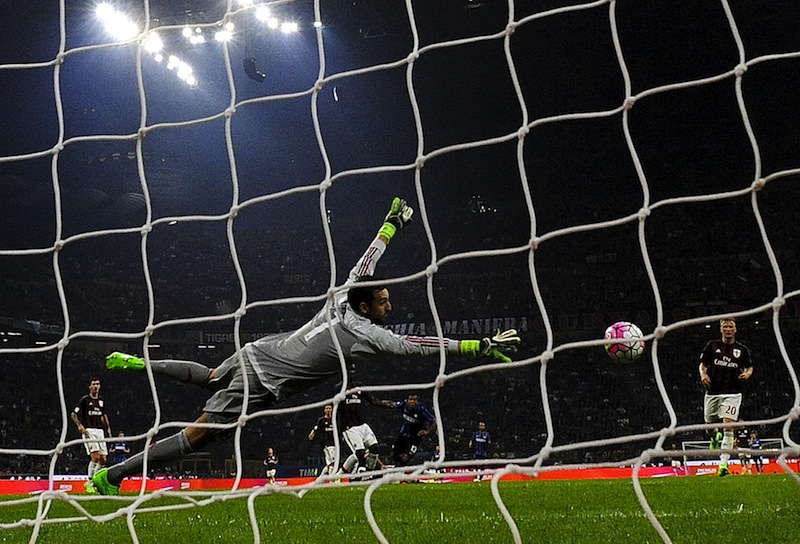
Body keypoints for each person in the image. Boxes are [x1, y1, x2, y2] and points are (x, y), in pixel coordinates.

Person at [90, 197, 522, 495]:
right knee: (199, 436)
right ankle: (115, 474)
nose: (390, 304)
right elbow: (417, 345)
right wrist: (473, 346)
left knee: (209, 376)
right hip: (264, 381)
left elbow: (371, 256)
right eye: (385, 301)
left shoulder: (346, 291)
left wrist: (394, 223)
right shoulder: (366, 336)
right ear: (367, 306)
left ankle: (139, 362)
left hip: (258, 350)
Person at [698, 318, 754, 477]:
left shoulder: (741, 350)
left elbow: (749, 366)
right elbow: (702, 364)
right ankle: (714, 437)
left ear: (735, 330)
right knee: (709, 426)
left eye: (731, 326)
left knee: (728, 428)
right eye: (725, 327)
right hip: (713, 393)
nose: (728, 329)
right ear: (721, 329)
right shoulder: (712, 346)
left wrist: (747, 374)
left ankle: (723, 465)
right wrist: (703, 374)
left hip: (733, 393)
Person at [339, 383, 394, 475]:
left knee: (374, 448)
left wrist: (384, 403)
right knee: (360, 453)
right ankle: (353, 473)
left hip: (362, 425)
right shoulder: (339, 388)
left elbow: (372, 400)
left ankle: (369, 472)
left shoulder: (359, 386)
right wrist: (339, 430)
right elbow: (337, 410)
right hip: (350, 427)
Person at [71, 377, 112, 494]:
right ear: (90, 386)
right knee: (95, 457)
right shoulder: (85, 400)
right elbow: (74, 414)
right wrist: (79, 425)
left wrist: (108, 428)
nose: (95, 386)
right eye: (93, 384)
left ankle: (94, 481)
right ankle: (89, 483)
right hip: (89, 431)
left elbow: (103, 414)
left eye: (97, 384)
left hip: (100, 431)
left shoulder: (101, 400)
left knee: (103, 459)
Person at [390, 393, 436, 467]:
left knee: (406, 457)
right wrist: (380, 402)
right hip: (403, 435)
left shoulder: (421, 409)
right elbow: (392, 404)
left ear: (417, 401)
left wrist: (427, 432)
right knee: (394, 456)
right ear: (407, 400)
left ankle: (403, 471)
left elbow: (434, 421)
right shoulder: (404, 404)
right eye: (410, 399)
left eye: (414, 400)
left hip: (415, 438)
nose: (412, 401)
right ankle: (398, 470)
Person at [308, 404, 336, 476]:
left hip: (335, 443)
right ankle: (331, 479)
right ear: (324, 410)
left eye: (329, 408)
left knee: (330, 463)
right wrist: (312, 433)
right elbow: (316, 428)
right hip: (327, 444)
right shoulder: (321, 420)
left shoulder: (335, 419)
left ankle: (321, 477)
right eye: (326, 408)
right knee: (333, 463)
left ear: (332, 410)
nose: (328, 410)